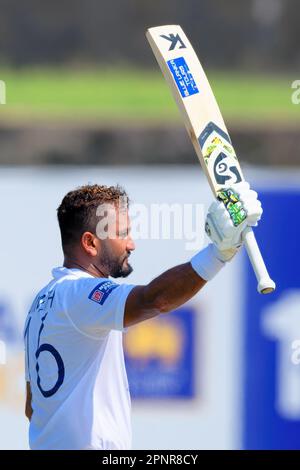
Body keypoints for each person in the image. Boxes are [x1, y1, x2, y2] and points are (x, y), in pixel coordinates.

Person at [24, 181, 262, 450]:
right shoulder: (78, 293)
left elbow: (32, 408)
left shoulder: (40, 305)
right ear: (90, 243)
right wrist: (219, 253)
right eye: (122, 233)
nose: (131, 244)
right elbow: (155, 299)